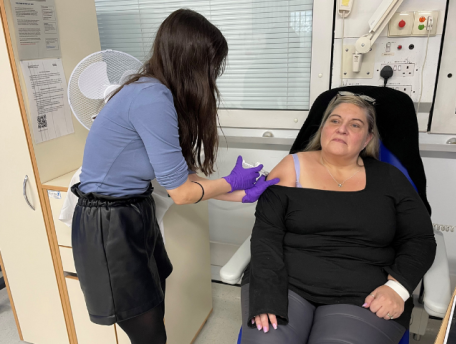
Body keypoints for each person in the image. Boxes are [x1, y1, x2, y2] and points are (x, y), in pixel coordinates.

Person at [71, 9, 278, 344]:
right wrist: (232, 182)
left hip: (134, 212)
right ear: (191, 62)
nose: (212, 76)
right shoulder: (151, 97)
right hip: (108, 226)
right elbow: (182, 194)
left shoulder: (154, 93)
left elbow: (181, 180)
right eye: (211, 66)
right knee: (149, 334)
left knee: (155, 310)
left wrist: (240, 192)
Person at [240, 92, 436, 344]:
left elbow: (420, 239)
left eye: (355, 125)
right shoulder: (290, 167)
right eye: (334, 121)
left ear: (368, 138)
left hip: (364, 295)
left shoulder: (390, 179)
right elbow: (266, 236)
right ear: (322, 129)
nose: (342, 129)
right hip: (285, 284)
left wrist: (396, 288)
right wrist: (265, 294)